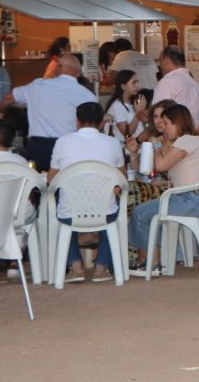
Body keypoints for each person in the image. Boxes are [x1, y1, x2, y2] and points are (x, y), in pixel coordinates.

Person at [129, 104, 199, 276]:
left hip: (192, 200)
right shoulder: (188, 141)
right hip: (195, 198)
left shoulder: (186, 140)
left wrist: (157, 147)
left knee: (140, 213)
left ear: (178, 123)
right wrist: (134, 154)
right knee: (148, 213)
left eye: (167, 123)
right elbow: (146, 169)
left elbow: (160, 166)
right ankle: (149, 261)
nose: (164, 128)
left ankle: (149, 262)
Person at [47, 101, 125, 283]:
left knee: (58, 213)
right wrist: (110, 194)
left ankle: (76, 267)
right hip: (104, 213)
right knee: (114, 212)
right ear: (102, 123)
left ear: (77, 121)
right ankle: (101, 268)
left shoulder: (62, 142)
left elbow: (51, 180)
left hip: (70, 214)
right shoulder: (113, 143)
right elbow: (121, 179)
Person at [0, 54, 95, 172]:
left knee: (33, 180)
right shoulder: (87, 95)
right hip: (68, 149)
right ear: (78, 73)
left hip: (37, 148)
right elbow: (91, 126)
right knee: (65, 179)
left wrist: (0, 111)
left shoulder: (37, 85)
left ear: (58, 68)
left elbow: (8, 98)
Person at [153, 46, 199, 129]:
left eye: (160, 61)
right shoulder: (195, 84)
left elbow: (158, 115)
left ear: (166, 61)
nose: (160, 66)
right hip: (193, 133)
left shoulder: (166, 82)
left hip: (174, 134)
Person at [105, 70, 145, 145]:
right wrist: (137, 113)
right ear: (123, 86)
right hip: (124, 148)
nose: (137, 85)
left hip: (138, 146)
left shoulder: (134, 102)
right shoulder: (117, 106)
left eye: (137, 82)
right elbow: (127, 134)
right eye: (134, 82)